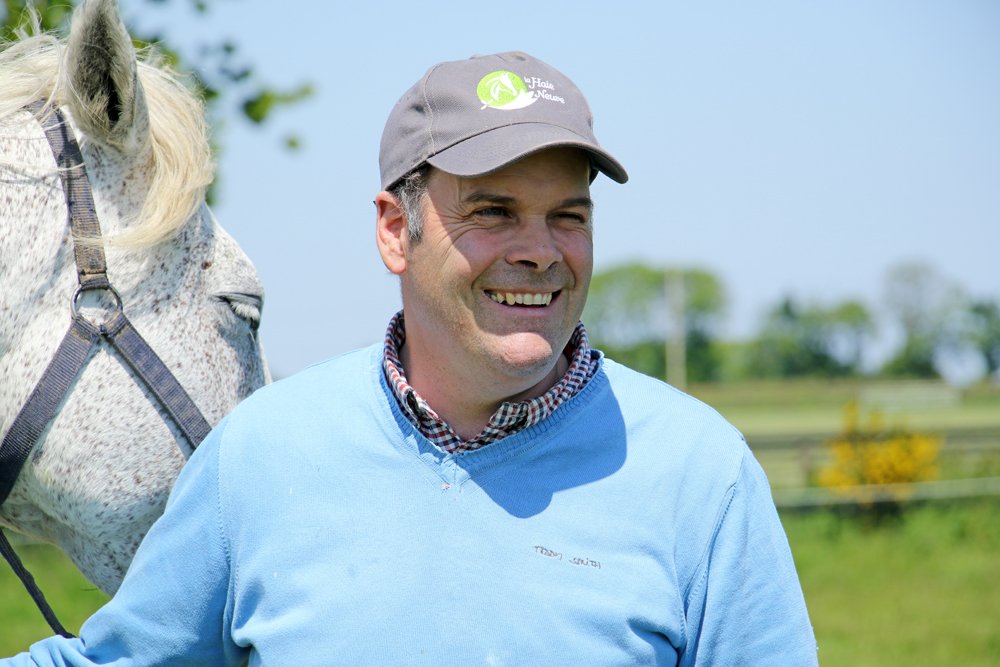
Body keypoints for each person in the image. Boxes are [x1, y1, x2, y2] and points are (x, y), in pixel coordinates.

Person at [5, 51, 818, 665]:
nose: (540, 251)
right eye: (494, 212)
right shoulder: (259, 457)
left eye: (568, 216)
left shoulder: (700, 474)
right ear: (396, 231)